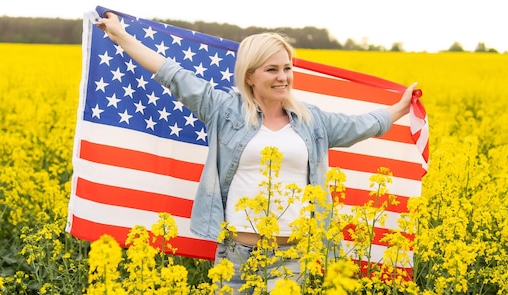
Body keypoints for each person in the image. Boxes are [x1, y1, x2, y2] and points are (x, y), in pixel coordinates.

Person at [96, 11, 418, 294]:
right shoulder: (224, 110)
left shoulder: (311, 120)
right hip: (235, 256)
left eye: (287, 68)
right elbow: (173, 75)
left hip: (291, 258)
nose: (283, 77)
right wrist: (121, 35)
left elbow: (360, 125)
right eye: (272, 70)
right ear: (250, 75)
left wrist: (400, 108)